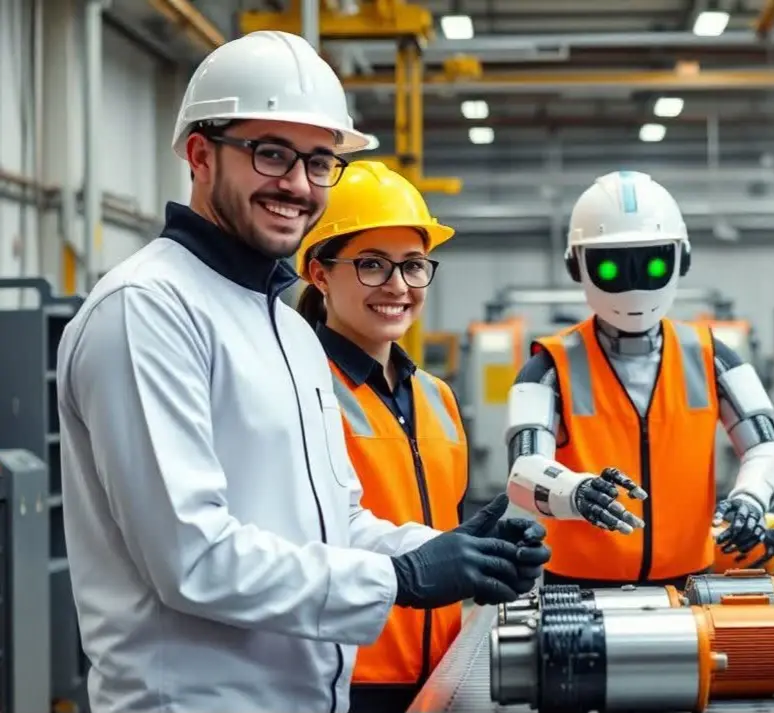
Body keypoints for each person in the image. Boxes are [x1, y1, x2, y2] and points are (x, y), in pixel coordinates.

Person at [54, 31, 548, 713]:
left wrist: (454, 549)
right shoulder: (147, 311)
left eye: (319, 162)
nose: (297, 184)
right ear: (200, 155)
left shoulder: (286, 327)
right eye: (271, 153)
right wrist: (401, 577)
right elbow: (192, 557)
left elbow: (334, 521)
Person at [501, 170, 774, 588]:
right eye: (611, 266)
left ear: (681, 260)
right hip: (578, 586)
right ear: (576, 266)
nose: (634, 280)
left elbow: (766, 448)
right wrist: (575, 491)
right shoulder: (549, 364)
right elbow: (523, 470)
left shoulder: (711, 355)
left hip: (689, 581)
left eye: (653, 262)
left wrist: (750, 498)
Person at [292, 160, 473, 712]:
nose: (398, 286)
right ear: (319, 274)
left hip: (444, 667)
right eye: (372, 265)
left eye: (413, 266)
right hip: (347, 678)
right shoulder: (298, 387)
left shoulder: (437, 397)